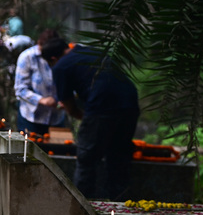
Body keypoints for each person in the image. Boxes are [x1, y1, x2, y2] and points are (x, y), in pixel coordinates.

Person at [41, 38, 140, 201]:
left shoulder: (61, 66)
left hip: (102, 106)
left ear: (53, 59)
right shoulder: (90, 51)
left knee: (86, 158)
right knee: (118, 155)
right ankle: (119, 205)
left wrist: (81, 116)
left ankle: (82, 206)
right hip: (129, 102)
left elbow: (67, 103)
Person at [14, 29, 66, 135]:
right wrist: (43, 100)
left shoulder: (61, 57)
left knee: (56, 150)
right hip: (31, 118)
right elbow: (20, 89)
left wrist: (66, 99)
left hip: (56, 118)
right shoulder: (27, 57)